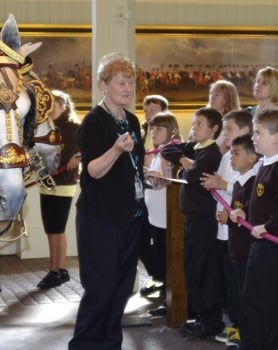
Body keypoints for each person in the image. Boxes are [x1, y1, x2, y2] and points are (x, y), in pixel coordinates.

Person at [68, 53, 145, 350]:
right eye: (120, 82)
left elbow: (132, 166)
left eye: (130, 82)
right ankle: (85, 345)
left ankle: (110, 344)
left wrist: (146, 175)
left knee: (121, 288)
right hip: (100, 219)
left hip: (130, 216)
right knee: (100, 289)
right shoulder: (93, 122)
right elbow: (92, 172)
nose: (127, 88)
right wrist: (115, 150)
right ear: (103, 85)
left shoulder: (133, 120)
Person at [230, 108, 278, 350]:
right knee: (254, 297)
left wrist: (268, 227)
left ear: (276, 138)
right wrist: (245, 209)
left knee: (269, 301)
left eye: (258, 133)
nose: (254, 138)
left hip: (274, 246)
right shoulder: (265, 165)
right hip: (260, 243)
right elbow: (262, 200)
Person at [161, 107, 224, 338]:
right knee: (193, 269)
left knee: (206, 271)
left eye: (200, 124)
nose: (194, 128)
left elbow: (195, 177)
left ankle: (210, 321)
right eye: (194, 123)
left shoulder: (212, 153)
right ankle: (199, 316)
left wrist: (187, 167)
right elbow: (167, 147)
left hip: (205, 221)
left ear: (214, 128)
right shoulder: (195, 148)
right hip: (191, 221)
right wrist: (181, 159)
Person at [200, 109, 253, 345]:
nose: (225, 134)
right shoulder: (225, 157)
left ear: (246, 130)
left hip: (240, 232)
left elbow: (247, 190)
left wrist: (223, 186)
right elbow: (217, 189)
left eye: (229, 128)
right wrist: (220, 202)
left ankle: (246, 328)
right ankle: (236, 325)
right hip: (223, 230)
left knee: (242, 285)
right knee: (228, 284)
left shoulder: (254, 159)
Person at [37, 89, 80, 290]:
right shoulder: (45, 127)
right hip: (46, 181)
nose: (49, 109)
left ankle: (56, 270)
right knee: (50, 229)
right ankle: (58, 269)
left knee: (57, 227)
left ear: (63, 106)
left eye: (53, 105)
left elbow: (89, 146)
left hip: (64, 181)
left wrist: (77, 157)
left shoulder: (75, 126)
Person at [140, 111, 183, 316]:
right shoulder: (160, 152)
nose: (153, 132)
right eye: (152, 128)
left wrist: (148, 174)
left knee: (166, 260)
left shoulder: (170, 151)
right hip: (156, 217)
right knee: (158, 256)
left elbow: (167, 181)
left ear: (171, 130)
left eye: (159, 129)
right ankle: (167, 297)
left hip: (167, 218)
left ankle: (172, 302)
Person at [223, 134, 260, 350]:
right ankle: (245, 339)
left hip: (247, 252)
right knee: (238, 299)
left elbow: (251, 215)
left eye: (236, 153)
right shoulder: (239, 181)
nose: (231, 158)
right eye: (230, 153)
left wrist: (235, 216)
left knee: (249, 301)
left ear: (252, 157)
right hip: (236, 250)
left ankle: (252, 342)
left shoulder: (254, 183)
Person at [207, 79, 241, 154]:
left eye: (216, 95)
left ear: (227, 99)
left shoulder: (233, 122)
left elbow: (221, 149)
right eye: (211, 94)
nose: (212, 97)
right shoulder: (204, 118)